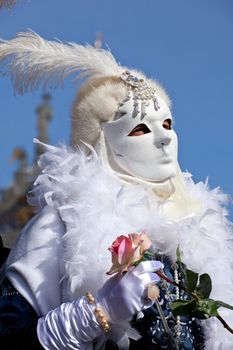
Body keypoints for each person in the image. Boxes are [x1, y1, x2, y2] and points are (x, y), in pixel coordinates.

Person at [0, 31, 233, 350]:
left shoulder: (202, 225)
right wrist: (96, 313)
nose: (164, 138)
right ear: (103, 141)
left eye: (167, 124)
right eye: (140, 128)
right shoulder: (61, 223)